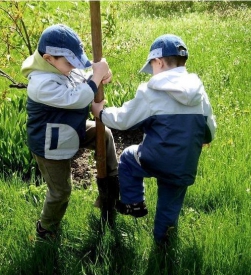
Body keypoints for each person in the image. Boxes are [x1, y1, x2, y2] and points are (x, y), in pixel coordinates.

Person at [91, 34, 217, 245]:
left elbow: (124, 119)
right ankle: (164, 242)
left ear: (158, 62)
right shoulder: (199, 92)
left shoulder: (152, 91)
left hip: (156, 159)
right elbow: (209, 126)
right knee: (170, 205)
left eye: (152, 66)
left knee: (129, 158)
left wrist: (101, 113)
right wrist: (205, 137)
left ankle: (134, 203)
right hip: (183, 165)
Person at [21, 24, 119, 239]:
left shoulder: (61, 68)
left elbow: (82, 79)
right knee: (61, 191)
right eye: (69, 63)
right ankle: (46, 229)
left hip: (70, 130)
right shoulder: (40, 83)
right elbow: (75, 98)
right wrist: (94, 80)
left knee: (104, 135)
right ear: (48, 59)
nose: (74, 67)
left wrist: (100, 74)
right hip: (50, 144)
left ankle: (110, 187)